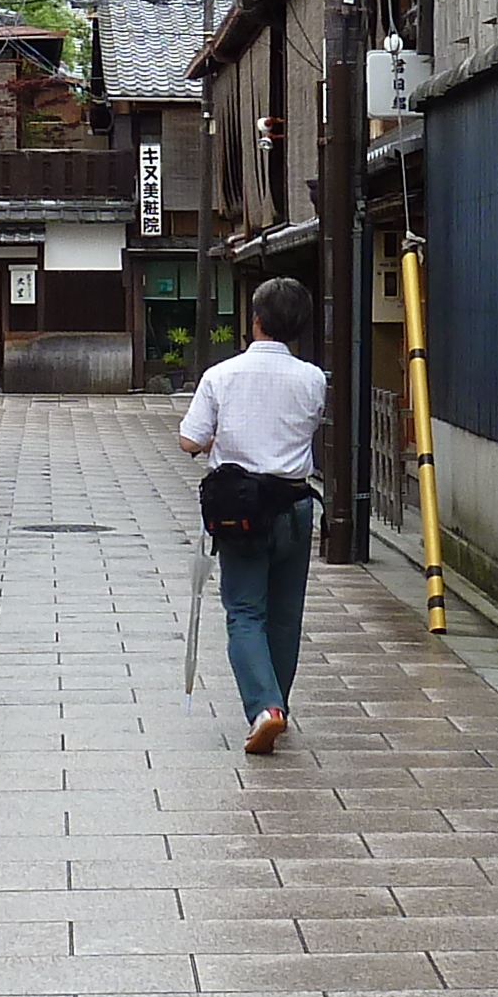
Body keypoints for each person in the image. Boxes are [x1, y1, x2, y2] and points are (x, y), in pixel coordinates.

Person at [178, 276, 326, 754]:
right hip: (296, 505)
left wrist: (221, 438)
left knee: (244, 611)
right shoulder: (312, 379)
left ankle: (265, 709)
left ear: (255, 321)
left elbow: (190, 441)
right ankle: (277, 704)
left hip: (241, 509)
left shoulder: (221, 376)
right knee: (284, 617)